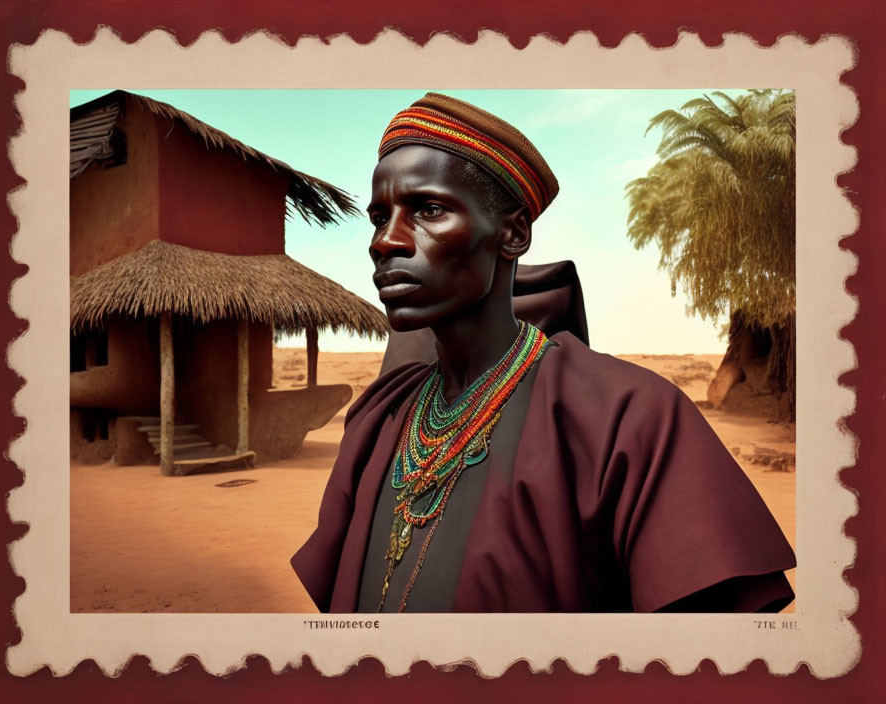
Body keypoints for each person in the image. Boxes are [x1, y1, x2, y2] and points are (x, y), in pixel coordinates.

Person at [291, 93, 796, 613]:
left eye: (428, 209)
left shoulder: (630, 419)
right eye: (380, 217)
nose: (385, 242)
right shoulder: (380, 418)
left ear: (512, 234)